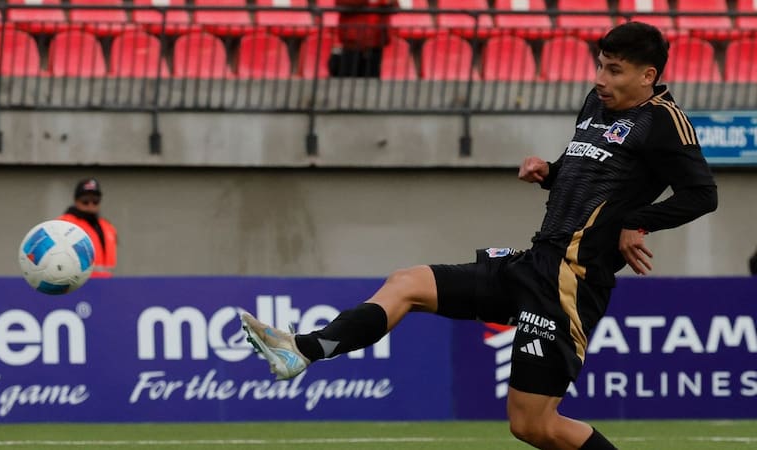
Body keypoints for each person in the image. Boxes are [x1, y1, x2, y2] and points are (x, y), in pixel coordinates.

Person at [241, 22, 718, 450]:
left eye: (614, 70)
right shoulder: (597, 103)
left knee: (534, 426)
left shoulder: (664, 122)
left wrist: (639, 223)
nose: (600, 79)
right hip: (534, 261)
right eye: (599, 65)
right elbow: (592, 177)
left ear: (647, 75)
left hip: (570, 281)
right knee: (406, 283)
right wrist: (549, 171)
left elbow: (702, 195)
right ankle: (302, 350)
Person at [58, 178, 118, 278]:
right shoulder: (65, 224)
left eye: (95, 201)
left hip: (107, 285)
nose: (91, 205)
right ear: (76, 201)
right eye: (85, 201)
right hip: (78, 285)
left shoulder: (107, 226)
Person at [329, 0, 397, 78]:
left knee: (372, 81)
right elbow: (341, 3)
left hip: (375, 41)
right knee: (348, 80)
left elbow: (394, 7)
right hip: (353, 41)